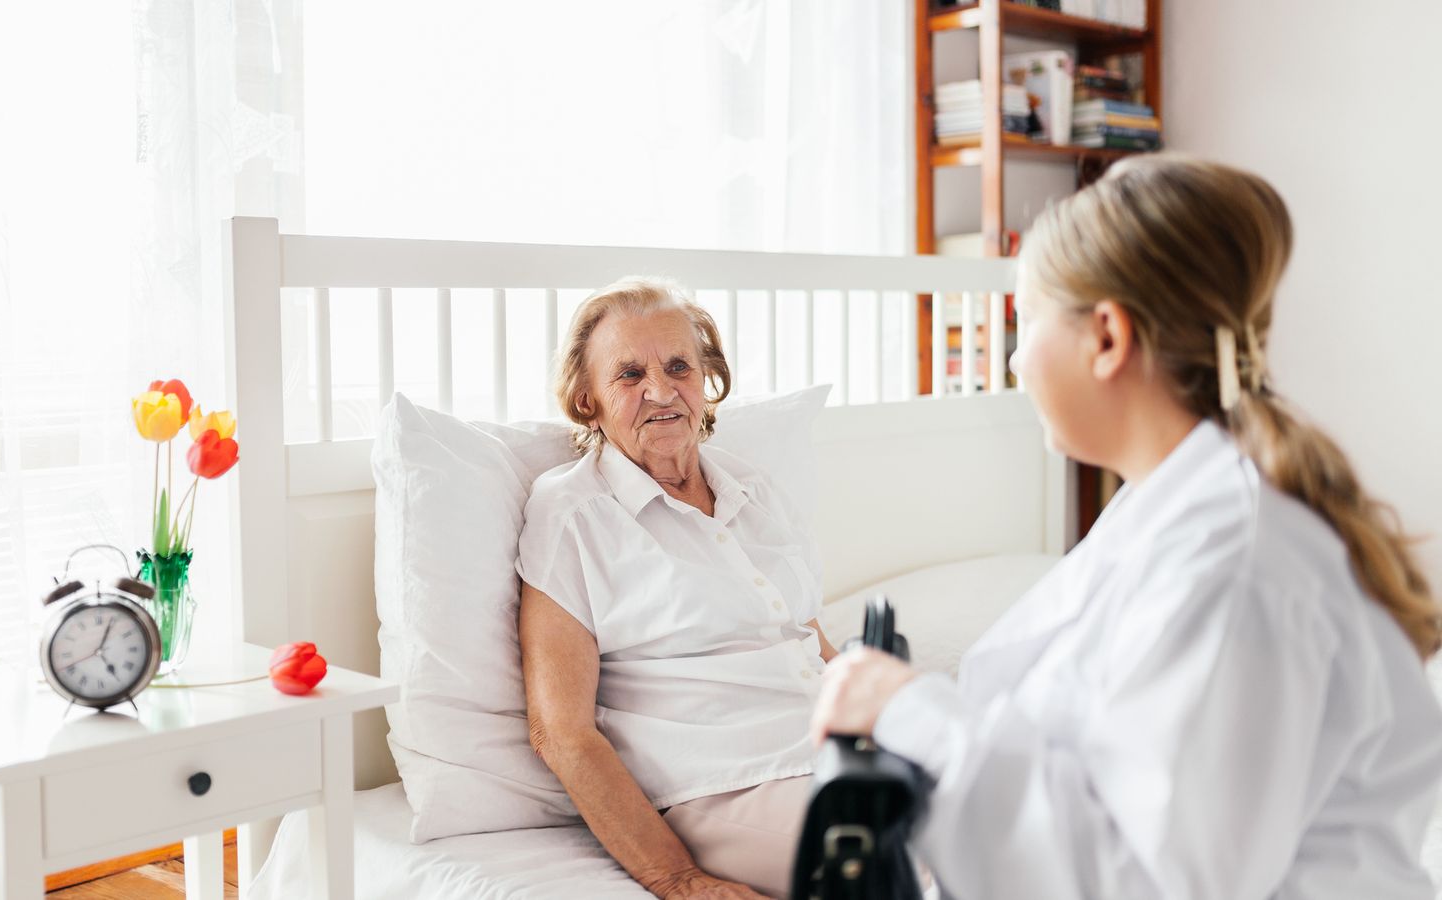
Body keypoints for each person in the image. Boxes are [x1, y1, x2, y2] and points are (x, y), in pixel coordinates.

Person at [811, 154, 1442, 899]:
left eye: (1025, 322)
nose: (1014, 362)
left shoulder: (1235, 563)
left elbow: (1148, 882)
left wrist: (911, 711)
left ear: (1106, 337)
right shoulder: (1169, 507)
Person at [517, 278, 837, 900]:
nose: (659, 391)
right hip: (730, 781)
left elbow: (808, 638)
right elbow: (559, 732)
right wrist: (680, 879)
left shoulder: (753, 488)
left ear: (706, 380)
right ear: (587, 400)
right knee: (915, 860)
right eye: (629, 374)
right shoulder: (572, 514)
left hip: (836, 750)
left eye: (677, 367)